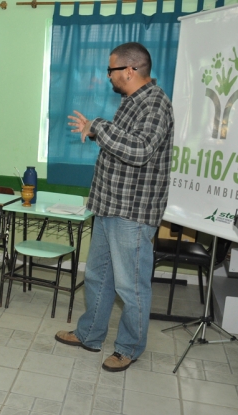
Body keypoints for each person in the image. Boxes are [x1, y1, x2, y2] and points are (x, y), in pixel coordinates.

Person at [55, 42, 174, 372]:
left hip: (132, 214)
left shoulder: (156, 104)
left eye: (112, 70)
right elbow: (124, 140)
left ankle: (129, 347)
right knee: (97, 277)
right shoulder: (130, 101)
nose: (108, 76)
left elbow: (140, 150)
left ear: (130, 70)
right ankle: (90, 334)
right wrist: (97, 133)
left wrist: (99, 127)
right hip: (109, 205)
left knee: (130, 286)